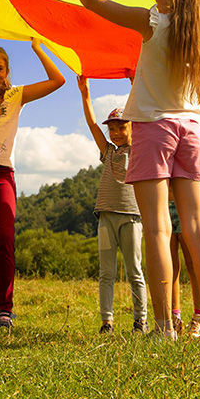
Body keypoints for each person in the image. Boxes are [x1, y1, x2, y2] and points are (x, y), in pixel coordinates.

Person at [55, 0, 200, 342]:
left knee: (156, 229)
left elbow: (93, 1)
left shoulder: (154, 22)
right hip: (190, 129)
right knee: (199, 229)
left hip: (153, 127)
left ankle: (165, 326)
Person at [0, 40, 65, 329]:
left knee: (4, 240)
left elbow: (57, 80)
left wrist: (38, 48)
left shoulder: (16, 95)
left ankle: (4, 310)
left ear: (7, 70)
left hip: (2, 176)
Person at [78, 78, 148, 335]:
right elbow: (92, 124)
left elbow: (143, 113)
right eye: (113, 129)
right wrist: (86, 94)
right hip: (106, 217)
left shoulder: (139, 149)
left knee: (134, 271)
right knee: (106, 272)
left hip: (131, 217)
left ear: (132, 127)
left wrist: (136, 85)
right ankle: (107, 321)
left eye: (122, 127)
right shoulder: (108, 151)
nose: (117, 132)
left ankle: (140, 320)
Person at [169, 203, 200, 337]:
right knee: (170, 267)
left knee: (192, 264)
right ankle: (174, 318)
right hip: (164, 206)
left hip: (184, 205)